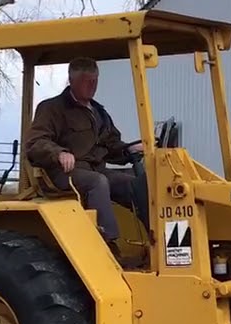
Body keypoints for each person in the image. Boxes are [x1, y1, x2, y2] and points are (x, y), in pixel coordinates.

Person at [25, 57, 143, 246]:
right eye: (86, 81)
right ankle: (106, 242)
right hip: (62, 173)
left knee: (136, 183)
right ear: (72, 81)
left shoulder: (98, 112)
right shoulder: (52, 109)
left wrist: (129, 149)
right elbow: (36, 143)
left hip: (95, 169)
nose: (92, 85)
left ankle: (153, 239)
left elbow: (111, 144)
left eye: (95, 80)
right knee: (98, 182)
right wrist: (59, 153)